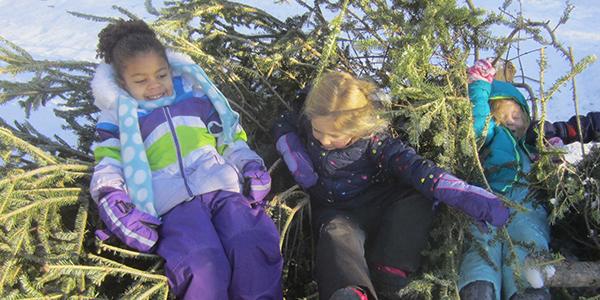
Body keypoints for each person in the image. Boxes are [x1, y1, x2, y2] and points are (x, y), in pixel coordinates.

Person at [272, 71, 510, 300]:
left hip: (379, 204)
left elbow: (416, 168)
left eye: (335, 135)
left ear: (356, 128)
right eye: (317, 131)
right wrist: (293, 149)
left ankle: (390, 271)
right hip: (337, 211)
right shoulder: (309, 117)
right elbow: (283, 122)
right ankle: (352, 292)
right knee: (336, 237)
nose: (323, 140)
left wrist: (461, 193)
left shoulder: (374, 142)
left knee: (416, 202)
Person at [89, 19, 282, 300]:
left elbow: (228, 139)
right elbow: (108, 163)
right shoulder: (117, 118)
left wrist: (249, 166)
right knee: (201, 263)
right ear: (122, 82)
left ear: (171, 68)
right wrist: (114, 201)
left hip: (222, 189)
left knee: (251, 242)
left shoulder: (196, 98)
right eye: (141, 81)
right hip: (174, 206)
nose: (155, 86)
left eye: (162, 75)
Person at [459, 59, 600, 300]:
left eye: (516, 115)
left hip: (528, 209)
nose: (511, 121)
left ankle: (529, 292)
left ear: (527, 116)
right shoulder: (490, 137)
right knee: (483, 246)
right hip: (487, 205)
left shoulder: (533, 145)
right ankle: (479, 289)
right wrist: (479, 88)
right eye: (502, 117)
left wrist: (551, 159)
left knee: (530, 243)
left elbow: (569, 139)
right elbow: (477, 127)